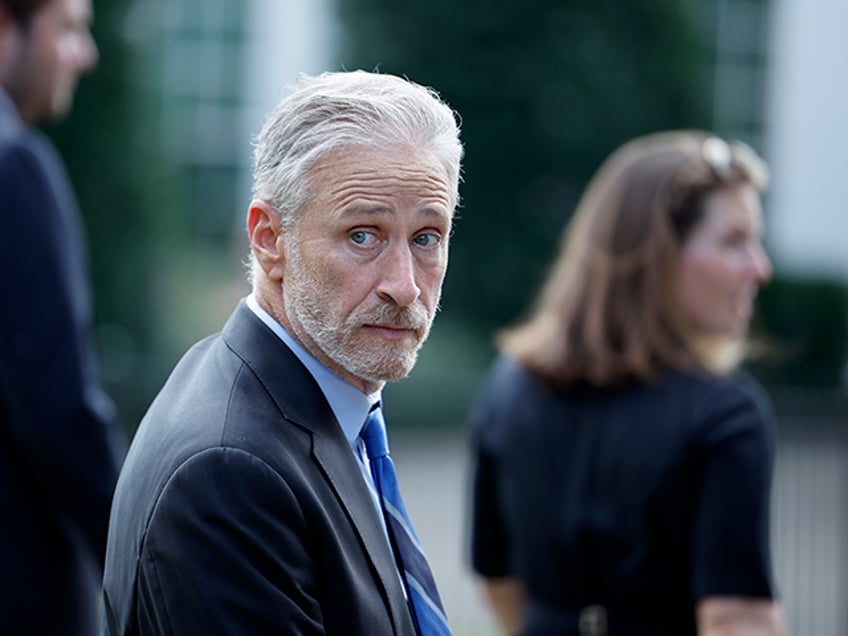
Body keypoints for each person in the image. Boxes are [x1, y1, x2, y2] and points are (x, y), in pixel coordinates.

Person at [101, 70, 463, 635]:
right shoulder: (228, 470)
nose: (406, 285)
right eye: (363, 234)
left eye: (426, 238)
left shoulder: (280, 398)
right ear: (269, 238)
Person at [468, 131, 786, 636]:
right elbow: (736, 620)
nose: (759, 268)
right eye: (735, 241)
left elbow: (499, 585)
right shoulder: (725, 415)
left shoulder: (510, 386)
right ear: (657, 255)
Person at [0, 0, 125, 634]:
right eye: (69, 28)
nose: (85, 54)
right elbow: (60, 414)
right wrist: (144, 551)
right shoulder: (14, 167)